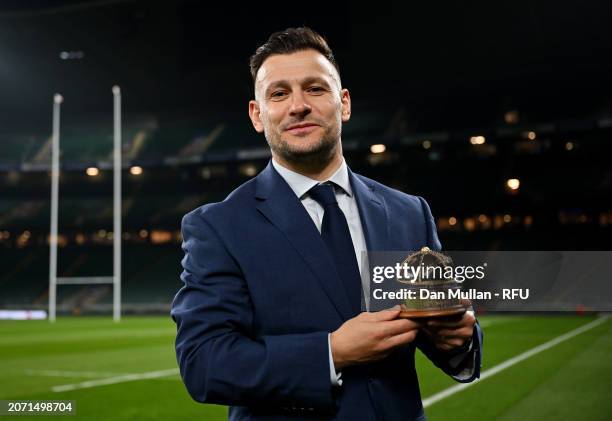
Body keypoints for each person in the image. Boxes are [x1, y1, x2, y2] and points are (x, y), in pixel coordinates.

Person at [171, 27, 482, 421]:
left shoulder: (409, 213)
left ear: (344, 103)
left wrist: (459, 339)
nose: (298, 105)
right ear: (257, 114)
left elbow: (444, 329)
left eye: (315, 88)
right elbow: (204, 364)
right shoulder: (219, 226)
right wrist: (331, 352)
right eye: (279, 93)